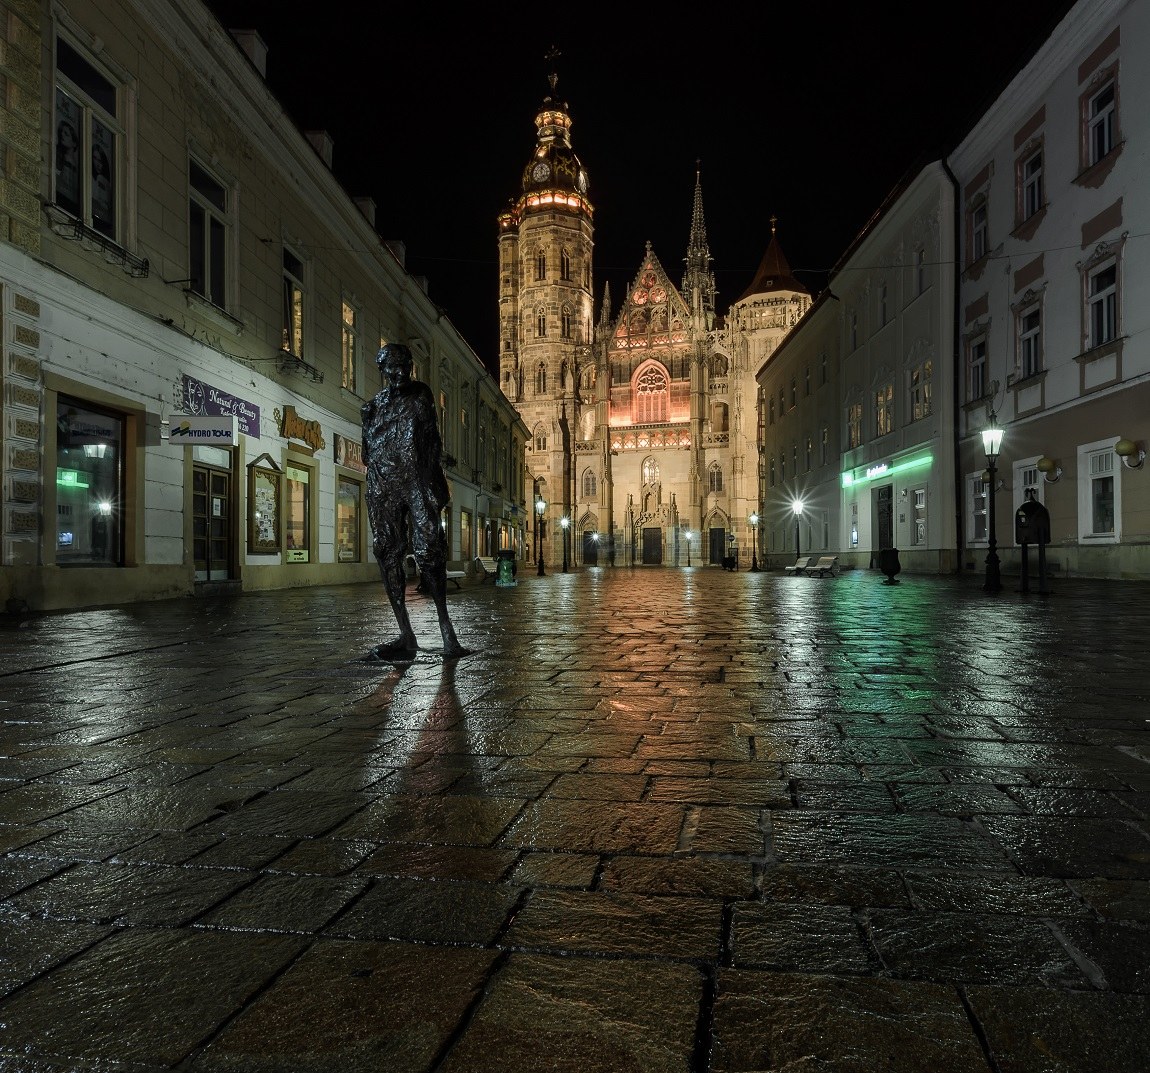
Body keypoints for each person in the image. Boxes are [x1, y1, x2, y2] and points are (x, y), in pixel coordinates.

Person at [362, 342, 466, 660]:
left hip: (416, 482)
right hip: (382, 486)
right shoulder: (371, 407)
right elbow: (367, 454)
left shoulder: (420, 394)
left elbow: (432, 441)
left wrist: (433, 484)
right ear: (383, 371)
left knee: (429, 550)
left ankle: (447, 631)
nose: (400, 371)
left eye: (404, 365)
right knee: (386, 552)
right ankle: (405, 634)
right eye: (393, 366)